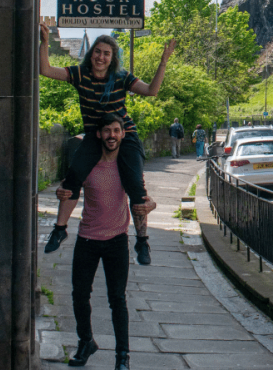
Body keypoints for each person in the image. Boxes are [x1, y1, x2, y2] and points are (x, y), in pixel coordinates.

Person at [39, 25, 175, 265]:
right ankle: (60, 229)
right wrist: (44, 41)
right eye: (97, 52)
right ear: (92, 53)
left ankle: (142, 241)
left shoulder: (122, 77)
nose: (101, 57)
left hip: (124, 135)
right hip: (95, 135)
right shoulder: (79, 74)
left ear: (113, 58)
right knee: (74, 176)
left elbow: (151, 91)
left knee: (135, 186)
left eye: (106, 53)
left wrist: (163, 62)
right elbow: (46, 70)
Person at [60, 114, 156, 369]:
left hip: (116, 241)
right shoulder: (87, 162)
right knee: (80, 295)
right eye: (107, 131)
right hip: (87, 239)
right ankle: (86, 343)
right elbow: (69, 189)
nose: (111, 135)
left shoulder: (127, 166)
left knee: (118, 300)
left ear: (123, 134)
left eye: (116, 130)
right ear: (99, 134)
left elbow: (144, 199)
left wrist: (151, 206)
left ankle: (122, 357)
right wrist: (62, 192)